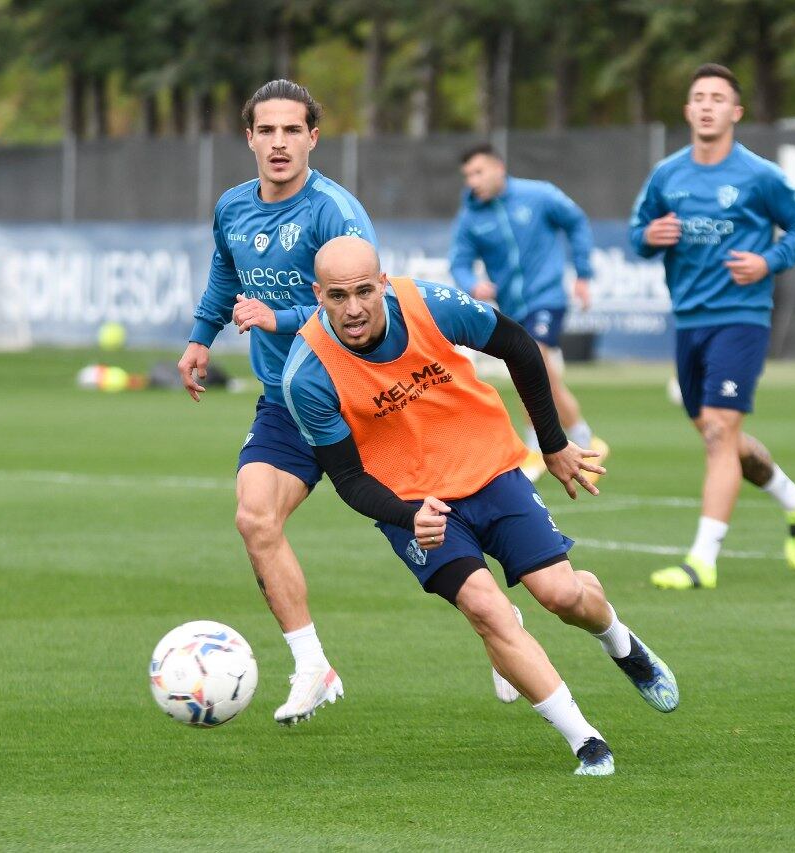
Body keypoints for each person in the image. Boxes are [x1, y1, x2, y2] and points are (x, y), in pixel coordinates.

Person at [278, 236, 679, 776]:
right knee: (487, 611)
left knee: (561, 595)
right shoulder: (306, 374)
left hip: (490, 469)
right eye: (337, 296)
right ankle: (586, 741)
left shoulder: (427, 304)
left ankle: (620, 642)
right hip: (413, 504)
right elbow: (347, 478)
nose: (353, 309)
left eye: (364, 292)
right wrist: (405, 516)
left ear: (383, 283)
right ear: (317, 295)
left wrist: (553, 443)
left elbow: (518, 345)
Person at [176, 80, 377, 725]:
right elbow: (225, 274)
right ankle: (312, 664)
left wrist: (279, 316)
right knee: (255, 520)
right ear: (250, 138)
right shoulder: (233, 206)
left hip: (361, 397)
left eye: (293, 131)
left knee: (431, 537)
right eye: (268, 131)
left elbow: (367, 307)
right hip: (287, 401)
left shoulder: (335, 214)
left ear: (313, 138)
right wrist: (200, 339)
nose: (280, 143)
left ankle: (499, 618)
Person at [629, 64, 795, 590]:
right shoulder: (668, 174)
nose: (708, 105)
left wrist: (769, 262)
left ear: (735, 112)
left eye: (718, 97)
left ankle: (702, 560)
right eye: (699, 97)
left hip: (742, 317)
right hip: (689, 321)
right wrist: (652, 235)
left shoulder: (759, 175)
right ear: (689, 110)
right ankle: (794, 499)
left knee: (719, 431)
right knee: (721, 436)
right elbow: (636, 236)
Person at [449, 143, 607, 484]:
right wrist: (472, 284)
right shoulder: (471, 217)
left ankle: (535, 449)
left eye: (478, 172)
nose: (472, 181)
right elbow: (459, 262)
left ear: (499, 169)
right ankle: (584, 438)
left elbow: (576, 221)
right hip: (513, 308)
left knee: (530, 362)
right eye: (467, 176)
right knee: (542, 373)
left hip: (547, 297)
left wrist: (582, 272)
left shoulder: (539, 196)